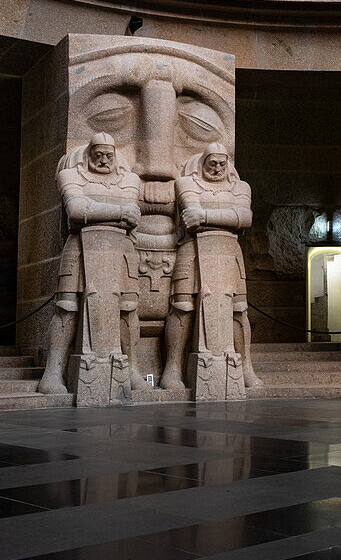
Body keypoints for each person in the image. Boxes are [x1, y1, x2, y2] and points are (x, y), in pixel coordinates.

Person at [38, 134, 144, 394]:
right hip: (79, 248)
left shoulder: (129, 179)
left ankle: (132, 369)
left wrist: (94, 210)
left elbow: (134, 213)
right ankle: (53, 371)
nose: (104, 160)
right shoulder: (71, 176)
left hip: (122, 251)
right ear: (88, 153)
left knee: (128, 309)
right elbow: (75, 210)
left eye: (109, 155)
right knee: (67, 307)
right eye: (98, 155)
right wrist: (118, 213)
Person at [160, 142, 262, 390]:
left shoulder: (241, 187)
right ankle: (172, 369)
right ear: (202, 163)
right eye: (212, 163)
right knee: (182, 306)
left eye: (221, 164)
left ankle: (245, 366)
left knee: (238, 310)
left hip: (229, 252)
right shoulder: (187, 183)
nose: (217, 168)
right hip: (192, 250)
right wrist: (228, 217)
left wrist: (206, 217)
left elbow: (245, 218)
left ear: (228, 165)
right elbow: (190, 216)